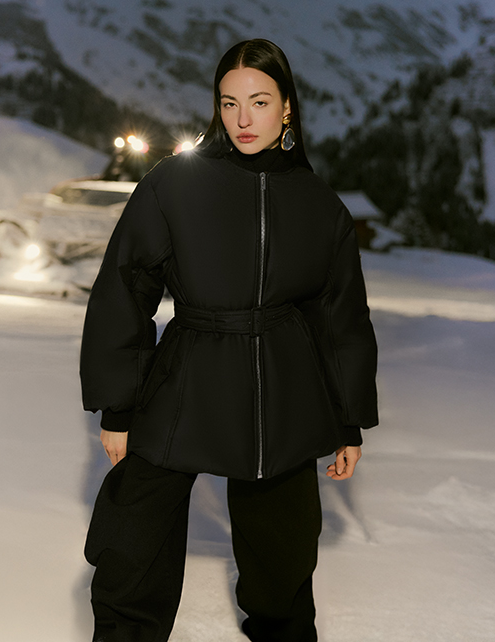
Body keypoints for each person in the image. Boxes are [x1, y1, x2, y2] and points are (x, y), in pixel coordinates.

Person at [80, 38, 378, 642]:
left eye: (260, 102)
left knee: (282, 566)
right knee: (130, 542)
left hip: (282, 390)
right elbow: (125, 287)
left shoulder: (319, 205)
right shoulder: (175, 185)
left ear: (287, 108)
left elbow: (339, 318)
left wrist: (348, 420)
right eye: (229, 102)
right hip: (188, 372)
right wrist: (119, 406)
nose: (243, 119)